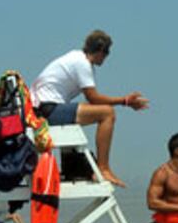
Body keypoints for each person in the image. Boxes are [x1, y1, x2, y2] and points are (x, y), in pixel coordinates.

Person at [31, 30, 149, 187]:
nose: (106, 57)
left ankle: (74, 165)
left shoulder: (77, 57)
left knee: (99, 109)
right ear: (100, 50)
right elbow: (93, 98)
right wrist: (125, 101)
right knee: (107, 113)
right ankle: (104, 168)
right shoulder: (82, 63)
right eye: (107, 53)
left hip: (45, 108)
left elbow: (92, 100)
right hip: (47, 110)